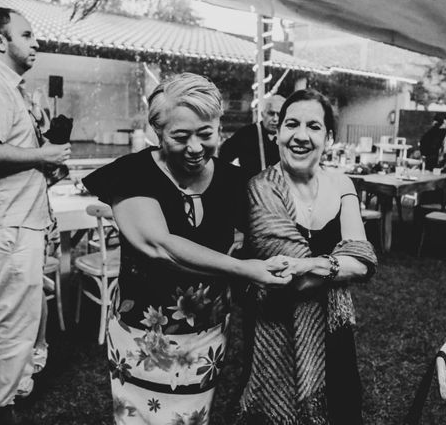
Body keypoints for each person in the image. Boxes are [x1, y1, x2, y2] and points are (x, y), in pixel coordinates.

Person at [81, 73, 291, 425]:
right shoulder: (131, 174)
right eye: (181, 136)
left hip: (208, 336)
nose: (195, 147)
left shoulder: (234, 181)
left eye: (206, 134)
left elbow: (271, 229)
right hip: (142, 337)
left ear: (219, 127)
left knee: (192, 419)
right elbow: (160, 246)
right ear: (158, 133)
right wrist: (244, 269)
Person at [0, 7, 71, 424]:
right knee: (12, 327)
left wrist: (44, 167)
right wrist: (41, 154)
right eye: (27, 34)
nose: (36, 41)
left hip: (18, 219)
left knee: (22, 318)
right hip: (7, 224)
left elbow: (6, 155)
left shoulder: (7, 86)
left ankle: (12, 389)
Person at [238, 89, 377, 424]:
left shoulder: (342, 183)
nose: (301, 136)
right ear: (277, 132)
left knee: (342, 408)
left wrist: (311, 265)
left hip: (334, 332)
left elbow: (362, 260)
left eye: (313, 126)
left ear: (328, 137)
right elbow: (293, 281)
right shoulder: (260, 188)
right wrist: (331, 265)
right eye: (292, 124)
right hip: (275, 328)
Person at [219, 94, 284, 178]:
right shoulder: (246, 133)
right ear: (262, 114)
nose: (275, 119)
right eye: (271, 113)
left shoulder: (288, 136)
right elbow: (223, 156)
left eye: (279, 115)